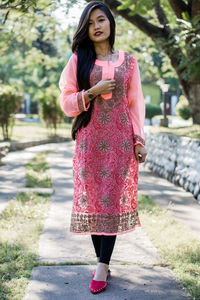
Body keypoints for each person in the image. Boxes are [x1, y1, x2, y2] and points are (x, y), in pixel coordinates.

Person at [59, 1, 147, 294]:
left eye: (101, 20)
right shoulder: (78, 60)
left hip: (120, 143)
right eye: (90, 23)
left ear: (110, 23)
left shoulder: (129, 62)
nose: (97, 27)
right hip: (89, 142)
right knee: (95, 203)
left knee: (110, 200)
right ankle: (104, 262)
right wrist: (92, 92)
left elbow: (135, 105)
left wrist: (139, 140)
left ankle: (101, 266)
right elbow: (67, 102)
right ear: (85, 29)